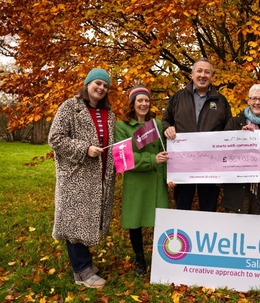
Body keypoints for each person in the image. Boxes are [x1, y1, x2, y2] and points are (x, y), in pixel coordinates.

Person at [48, 68, 115, 288]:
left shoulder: (109, 114)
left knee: (87, 221)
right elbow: (55, 138)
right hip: (76, 176)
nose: (101, 88)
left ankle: (83, 265)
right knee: (75, 222)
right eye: (98, 83)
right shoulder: (70, 107)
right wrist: (84, 148)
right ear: (87, 84)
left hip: (100, 177)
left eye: (105, 85)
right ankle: (82, 271)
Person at [162, 58, 232, 212]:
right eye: (199, 71)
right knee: (182, 207)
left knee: (208, 208)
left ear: (212, 76)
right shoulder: (178, 98)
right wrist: (168, 128)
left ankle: (205, 236)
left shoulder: (221, 101)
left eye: (207, 72)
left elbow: (229, 129)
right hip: (183, 164)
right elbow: (165, 121)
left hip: (211, 166)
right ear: (192, 74)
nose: (203, 75)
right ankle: (182, 236)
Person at [115, 84, 171, 276]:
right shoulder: (121, 127)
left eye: (147, 100)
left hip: (156, 182)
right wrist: (151, 159)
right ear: (132, 103)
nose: (144, 103)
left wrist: (168, 178)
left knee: (160, 221)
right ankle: (140, 258)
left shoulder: (156, 125)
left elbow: (164, 154)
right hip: (136, 182)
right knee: (135, 221)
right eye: (140, 100)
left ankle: (160, 257)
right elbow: (124, 159)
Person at [220, 84, 260, 214]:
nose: (257, 102)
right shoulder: (234, 122)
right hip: (237, 189)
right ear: (248, 100)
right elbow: (223, 153)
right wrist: (240, 137)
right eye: (254, 98)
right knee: (235, 230)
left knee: (259, 230)